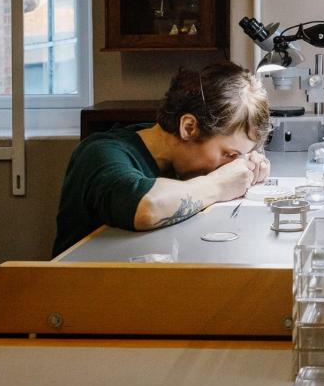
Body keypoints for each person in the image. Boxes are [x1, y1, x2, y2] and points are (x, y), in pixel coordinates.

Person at [52, 62, 271, 256]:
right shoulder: (100, 154)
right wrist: (220, 183)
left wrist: (250, 165)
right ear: (189, 128)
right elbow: (147, 207)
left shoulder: (179, 160)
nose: (232, 165)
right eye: (229, 154)